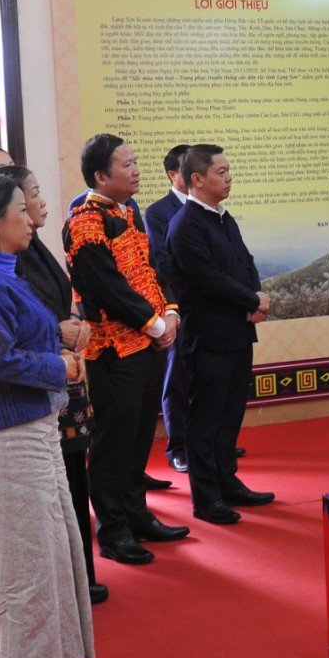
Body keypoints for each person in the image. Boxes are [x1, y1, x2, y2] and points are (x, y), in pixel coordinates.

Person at [0, 173, 94, 658]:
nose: (32, 216)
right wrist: (62, 367)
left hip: (34, 426)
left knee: (52, 548)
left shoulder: (5, 274)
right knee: (25, 562)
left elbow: (20, 337)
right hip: (9, 434)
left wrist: (60, 336)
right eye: (21, 206)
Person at [64, 133, 188, 564]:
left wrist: (170, 313)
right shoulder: (84, 219)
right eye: (127, 164)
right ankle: (113, 529)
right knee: (114, 441)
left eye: (136, 162)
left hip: (150, 341)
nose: (136, 170)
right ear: (100, 175)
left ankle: (138, 515)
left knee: (139, 436)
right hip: (113, 348)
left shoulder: (129, 209)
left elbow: (152, 267)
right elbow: (105, 286)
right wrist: (154, 324)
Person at [0, 164, 107, 605]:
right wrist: (61, 333)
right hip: (43, 379)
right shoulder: (1, 266)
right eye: (30, 197)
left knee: (75, 477)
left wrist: (75, 323)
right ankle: (68, 578)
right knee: (59, 488)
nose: (39, 204)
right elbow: (22, 330)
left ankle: (80, 573)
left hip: (64, 369)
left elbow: (63, 298)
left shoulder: (35, 245)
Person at [166, 144, 273, 525]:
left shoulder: (224, 218)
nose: (229, 177)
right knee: (207, 418)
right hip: (208, 335)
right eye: (222, 172)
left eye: (229, 171)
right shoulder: (185, 224)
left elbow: (245, 262)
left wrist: (256, 298)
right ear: (197, 179)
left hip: (237, 331)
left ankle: (228, 482)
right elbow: (208, 279)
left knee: (230, 414)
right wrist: (251, 299)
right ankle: (206, 497)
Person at [144, 144, 193, 473]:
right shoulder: (157, 211)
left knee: (207, 376)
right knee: (176, 378)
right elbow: (161, 262)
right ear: (172, 175)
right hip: (177, 304)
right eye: (187, 168)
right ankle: (179, 447)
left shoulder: (209, 206)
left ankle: (208, 440)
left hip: (210, 306)